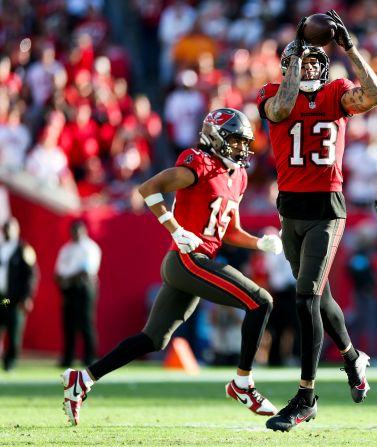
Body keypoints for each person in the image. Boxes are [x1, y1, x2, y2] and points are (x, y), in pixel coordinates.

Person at [61, 108, 283, 426]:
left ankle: (82, 379)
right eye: (235, 141)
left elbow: (229, 231)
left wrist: (259, 242)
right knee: (261, 301)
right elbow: (148, 188)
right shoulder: (199, 163)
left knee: (154, 338)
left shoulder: (239, 176)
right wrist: (174, 228)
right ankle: (243, 383)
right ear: (216, 137)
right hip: (187, 260)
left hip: (195, 261)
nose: (241, 149)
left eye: (243, 142)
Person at [257, 10, 377, 432]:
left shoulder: (336, 93)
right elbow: (283, 108)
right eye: (301, 59)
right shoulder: (273, 92)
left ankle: (306, 397)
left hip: (327, 208)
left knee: (306, 297)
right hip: (290, 210)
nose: (309, 65)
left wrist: (349, 47)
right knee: (318, 298)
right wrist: (295, 51)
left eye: (315, 60)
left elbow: (375, 94)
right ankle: (353, 358)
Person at [55, 219, 102, 368]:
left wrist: (66, 280)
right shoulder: (67, 248)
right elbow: (58, 270)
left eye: (77, 230)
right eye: (73, 230)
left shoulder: (90, 247)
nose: (75, 233)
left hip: (84, 288)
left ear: (84, 231)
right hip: (68, 289)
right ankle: (67, 358)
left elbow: (86, 270)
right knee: (68, 324)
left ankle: (89, 357)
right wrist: (61, 280)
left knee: (86, 323)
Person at [0, 217, 38, 371]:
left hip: (14, 298)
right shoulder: (1, 247)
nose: (8, 231)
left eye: (11, 228)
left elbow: (31, 274)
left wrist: (27, 296)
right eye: (6, 228)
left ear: (17, 230)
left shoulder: (24, 248)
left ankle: (10, 361)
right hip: (2, 298)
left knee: (14, 329)